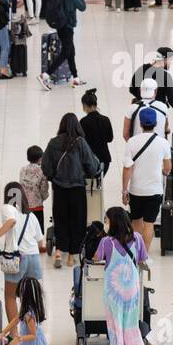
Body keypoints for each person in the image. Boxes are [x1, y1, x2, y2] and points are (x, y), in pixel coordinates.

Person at [92, 206, 149, 345]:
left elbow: (96, 258)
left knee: (115, 326)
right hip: (131, 290)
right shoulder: (138, 238)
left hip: (114, 293)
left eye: (107, 221)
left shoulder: (106, 242)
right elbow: (143, 259)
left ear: (114, 223)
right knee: (131, 325)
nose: (105, 224)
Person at [41, 113, 101, 268]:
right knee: (78, 221)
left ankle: (60, 252)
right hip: (77, 189)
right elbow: (92, 166)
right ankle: (72, 256)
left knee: (60, 220)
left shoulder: (53, 143)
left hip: (59, 189)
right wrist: (88, 173)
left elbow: (45, 166)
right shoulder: (80, 143)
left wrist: (54, 177)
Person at [0, 187, 46, 334]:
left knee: (10, 296)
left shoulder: (7, 208)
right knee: (31, 298)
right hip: (34, 258)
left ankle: (14, 335)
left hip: (18, 259)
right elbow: (40, 243)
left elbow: (11, 222)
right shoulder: (31, 215)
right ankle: (32, 333)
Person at [122, 107, 173, 255]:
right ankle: (145, 255)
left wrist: (124, 190)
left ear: (141, 123)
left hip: (136, 189)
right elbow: (168, 168)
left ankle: (135, 252)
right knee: (149, 224)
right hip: (154, 190)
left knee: (136, 221)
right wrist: (163, 170)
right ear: (156, 123)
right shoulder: (163, 143)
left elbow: (127, 169)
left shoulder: (131, 142)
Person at [39, 0, 86, 89]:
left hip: (59, 25)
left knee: (71, 51)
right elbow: (82, 7)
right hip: (68, 26)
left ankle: (75, 78)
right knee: (66, 52)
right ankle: (45, 75)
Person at [130, 48, 173, 114]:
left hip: (140, 110)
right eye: (170, 60)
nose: (170, 63)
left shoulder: (141, 69)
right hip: (158, 111)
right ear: (165, 59)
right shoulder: (165, 76)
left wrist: (141, 97)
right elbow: (172, 100)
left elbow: (132, 89)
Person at [79, 88, 115, 177]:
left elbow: (81, 141)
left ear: (85, 105)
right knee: (99, 183)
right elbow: (110, 139)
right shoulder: (106, 119)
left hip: (89, 160)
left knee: (90, 185)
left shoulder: (83, 122)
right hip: (104, 159)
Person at [18, 145, 50, 236]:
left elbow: (21, 185)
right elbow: (44, 188)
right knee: (37, 228)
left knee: (26, 226)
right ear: (40, 158)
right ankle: (38, 246)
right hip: (37, 205)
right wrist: (44, 197)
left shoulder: (23, 170)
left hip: (24, 204)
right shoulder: (42, 170)